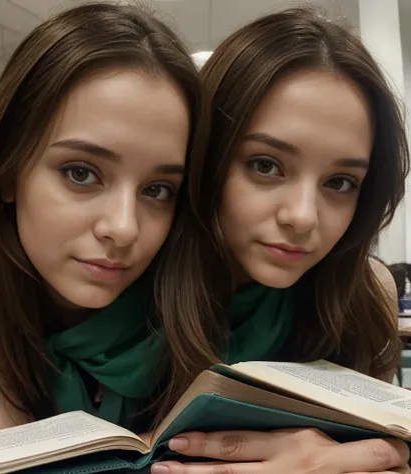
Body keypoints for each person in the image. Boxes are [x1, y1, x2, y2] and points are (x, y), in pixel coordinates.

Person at [151, 6, 411, 474]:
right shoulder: (119, 273)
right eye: (266, 165)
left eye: (340, 182)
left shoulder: (360, 299)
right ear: (207, 157)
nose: (303, 218)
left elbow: (373, 452)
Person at [0, 2, 208, 436]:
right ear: (10, 171)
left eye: (157, 190)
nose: (124, 228)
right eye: (81, 173)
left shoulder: (197, 283)